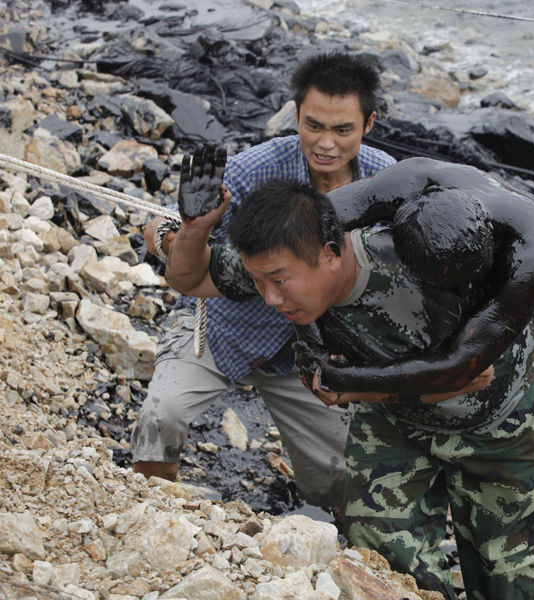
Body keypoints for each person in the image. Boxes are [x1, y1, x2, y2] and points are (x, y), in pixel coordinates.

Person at [168, 175, 534, 600]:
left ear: (331, 253)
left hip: (500, 422)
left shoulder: (424, 267)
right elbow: (191, 278)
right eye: (260, 284)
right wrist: (194, 229)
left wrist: (348, 390)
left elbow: (459, 380)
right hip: (397, 424)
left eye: (279, 282)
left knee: (505, 578)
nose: (271, 299)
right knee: (383, 562)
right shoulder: (277, 259)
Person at [132, 51, 396, 511]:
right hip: (222, 327)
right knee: (162, 415)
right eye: (313, 125)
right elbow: (158, 229)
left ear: (368, 123)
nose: (326, 144)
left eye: (342, 130)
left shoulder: (386, 181)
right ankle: (155, 509)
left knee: (339, 478)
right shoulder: (250, 171)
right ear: (295, 115)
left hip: (313, 350)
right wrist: (184, 229)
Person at [315, 155, 534, 402]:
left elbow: (458, 367)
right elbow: (306, 223)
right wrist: (313, 337)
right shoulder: (408, 178)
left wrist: (344, 377)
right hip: (454, 235)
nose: (463, 292)